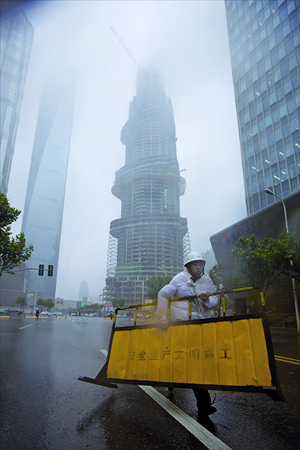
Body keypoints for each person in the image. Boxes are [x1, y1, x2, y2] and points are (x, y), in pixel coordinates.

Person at [156, 251, 218, 418]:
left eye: (201, 264)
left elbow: (214, 302)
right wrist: (162, 316)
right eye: (195, 264)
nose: (199, 267)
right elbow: (162, 294)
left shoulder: (207, 281)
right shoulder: (178, 280)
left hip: (201, 326)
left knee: (190, 361)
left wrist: (206, 299)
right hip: (183, 326)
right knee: (194, 363)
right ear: (189, 266)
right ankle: (203, 405)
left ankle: (170, 381)